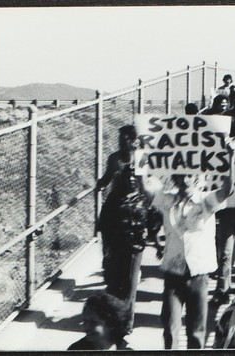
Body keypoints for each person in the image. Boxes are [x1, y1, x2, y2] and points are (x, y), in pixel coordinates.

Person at [141, 145, 235, 349]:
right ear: (174, 177)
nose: (185, 180)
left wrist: (229, 157)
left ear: (197, 178)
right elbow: (145, 190)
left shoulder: (206, 201)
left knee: (196, 332)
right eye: (180, 176)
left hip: (198, 275)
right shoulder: (167, 200)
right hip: (173, 274)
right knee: (170, 328)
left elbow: (228, 190)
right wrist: (142, 158)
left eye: (189, 176)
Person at [96, 125, 148, 334]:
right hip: (114, 218)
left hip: (134, 219)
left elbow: (147, 188)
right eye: (121, 138)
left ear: (135, 141)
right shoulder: (114, 159)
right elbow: (106, 179)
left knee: (130, 277)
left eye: (126, 139)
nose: (122, 142)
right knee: (113, 272)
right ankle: (113, 316)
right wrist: (99, 183)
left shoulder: (142, 159)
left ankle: (126, 323)